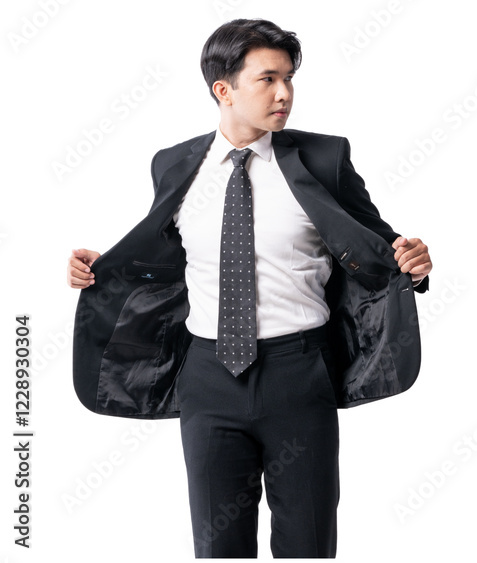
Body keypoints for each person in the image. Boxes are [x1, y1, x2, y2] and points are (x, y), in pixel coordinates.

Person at [66, 19, 431, 558]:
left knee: (307, 542)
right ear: (224, 89)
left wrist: (414, 265)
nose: (284, 94)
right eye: (268, 79)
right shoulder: (173, 164)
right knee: (218, 547)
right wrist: (109, 268)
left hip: (299, 374)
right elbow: (170, 254)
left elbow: (381, 248)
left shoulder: (324, 160)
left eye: (289, 79)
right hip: (208, 377)